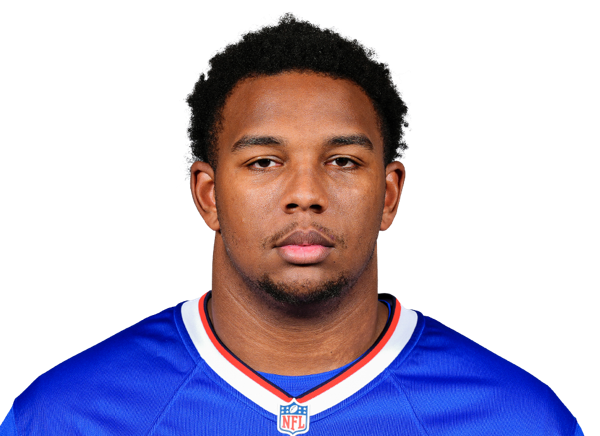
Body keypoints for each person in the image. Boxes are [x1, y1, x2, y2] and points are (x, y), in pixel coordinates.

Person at [1, 13, 583, 436]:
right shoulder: (65, 417)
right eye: (264, 162)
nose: (305, 195)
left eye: (343, 161)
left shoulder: (519, 421)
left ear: (389, 194)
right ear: (208, 195)